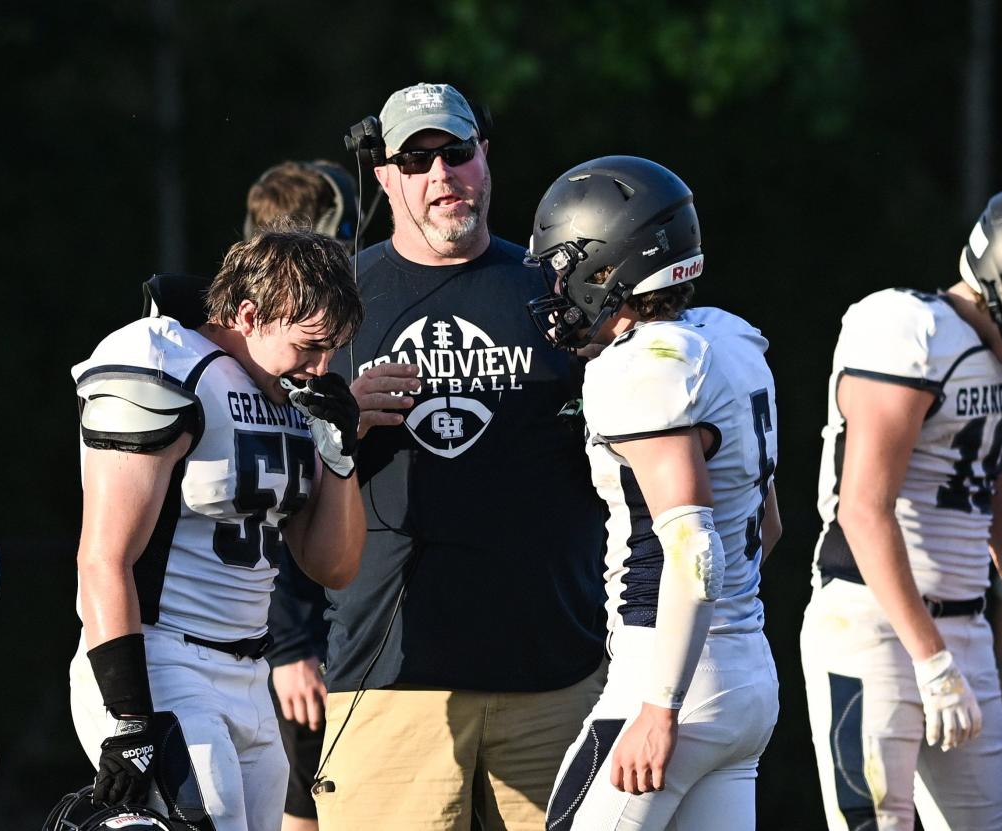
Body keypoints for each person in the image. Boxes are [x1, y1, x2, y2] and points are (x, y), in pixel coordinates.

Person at [315, 82, 607, 831]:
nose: (441, 175)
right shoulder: (338, 301)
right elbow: (268, 488)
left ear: (485, 157)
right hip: (390, 684)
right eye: (416, 160)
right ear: (382, 175)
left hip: (557, 676)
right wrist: (334, 429)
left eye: (456, 152)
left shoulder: (558, 289)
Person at [68, 227, 366, 831]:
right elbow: (102, 558)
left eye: (333, 348)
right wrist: (129, 718)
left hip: (250, 673)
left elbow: (332, 565)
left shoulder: (291, 394)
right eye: (309, 345)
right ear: (250, 315)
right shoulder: (167, 363)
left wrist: (339, 458)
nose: (321, 367)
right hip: (163, 661)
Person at [522, 157, 780, 830]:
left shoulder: (640, 367)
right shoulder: (729, 340)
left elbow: (694, 552)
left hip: (670, 674)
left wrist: (661, 703)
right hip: (746, 672)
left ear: (608, 267)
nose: (555, 283)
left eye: (563, 264)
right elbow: (767, 525)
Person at [800, 185, 1002, 830]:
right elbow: (864, 510)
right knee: (878, 822)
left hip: (965, 627)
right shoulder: (910, 329)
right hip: (872, 623)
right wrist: (932, 662)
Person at [244, 159, 360, 831]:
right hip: (268, 637)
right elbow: (265, 509)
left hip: (314, 626)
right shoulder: (262, 350)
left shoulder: (310, 335)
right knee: (300, 810)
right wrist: (291, 643)